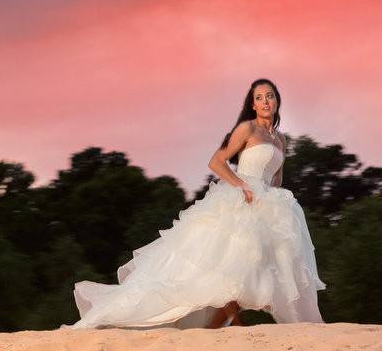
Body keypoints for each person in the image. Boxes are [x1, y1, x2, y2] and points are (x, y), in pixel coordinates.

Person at [61, 78, 327, 330]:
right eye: (259, 98)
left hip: (265, 202)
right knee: (231, 265)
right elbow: (216, 162)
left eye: (270, 96)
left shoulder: (280, 139)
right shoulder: (248, 129)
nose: (266, 101)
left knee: (256, 268)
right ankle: (227, 324)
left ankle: (218, 327)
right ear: (253, 105)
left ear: (277, 100)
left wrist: (273, 206)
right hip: (239, 197)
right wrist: (240, 185)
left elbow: (276, 178)